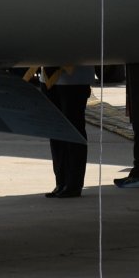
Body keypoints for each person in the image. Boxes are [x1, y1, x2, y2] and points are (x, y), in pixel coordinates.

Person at [40, 66, 92, 198]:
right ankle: (61, 181)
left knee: (73, 130)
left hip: (74, 77)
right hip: (48, 76)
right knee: (55, 130)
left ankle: (74, 183)